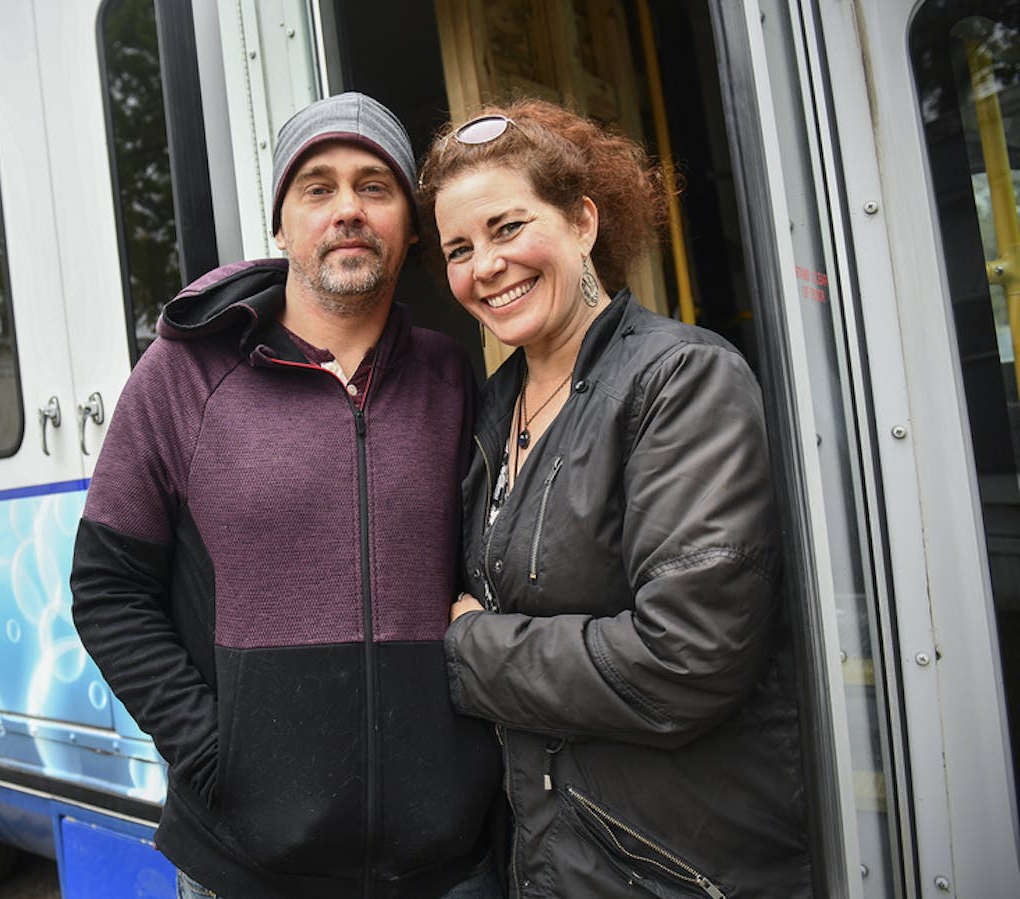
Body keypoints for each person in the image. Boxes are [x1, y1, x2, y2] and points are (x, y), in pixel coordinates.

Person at [71, 91, 503, 899]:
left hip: (448, 863)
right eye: (318, 187)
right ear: (280, 224)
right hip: (249, 868)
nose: (348, 208)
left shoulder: (453, 375)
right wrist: (215, 752)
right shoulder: (183, 374)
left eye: (375, 187)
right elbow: (106, 590)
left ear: (410, 227)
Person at [417, 99, 812, 898]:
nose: (484, 266)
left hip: (676, 870)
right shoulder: (492, 406)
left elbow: (686, 659)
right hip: (554, 862)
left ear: (584, 222)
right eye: (459, 248)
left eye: (506, 227)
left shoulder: (682, 381)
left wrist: (469, 646)